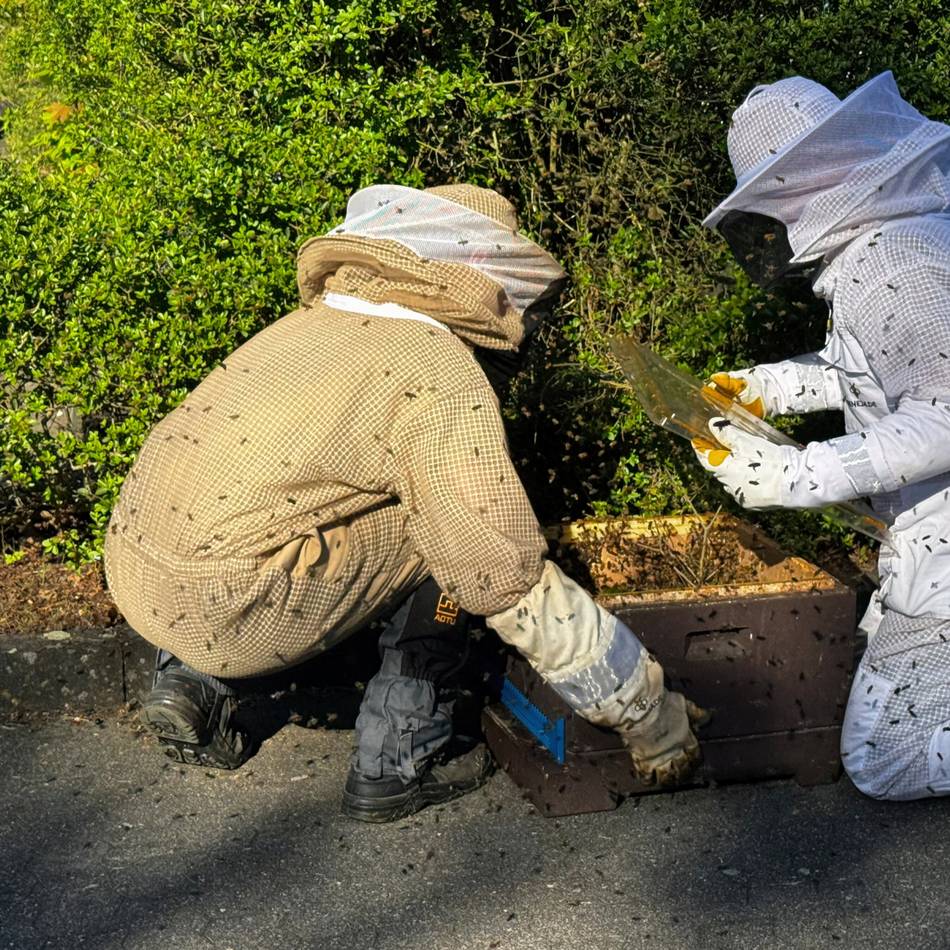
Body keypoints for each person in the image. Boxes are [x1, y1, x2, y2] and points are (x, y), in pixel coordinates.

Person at [105, 184, 705, 822]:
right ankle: (397, 752)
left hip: (138, 575)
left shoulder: (305, 329)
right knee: (452, 529)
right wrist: (645, 708)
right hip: (234, 606)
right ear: (482, 279)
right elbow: (499, 576)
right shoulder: (435, 367)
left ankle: (193, 684)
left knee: (274, 519)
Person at [695, 71, 950, 800]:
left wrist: (800, 474)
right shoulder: (889, 247)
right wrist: (768, 386)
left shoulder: (895, 260)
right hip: (928, 541)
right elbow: (865, 372)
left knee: (885, 759)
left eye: (772, 196)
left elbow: (945, 409)